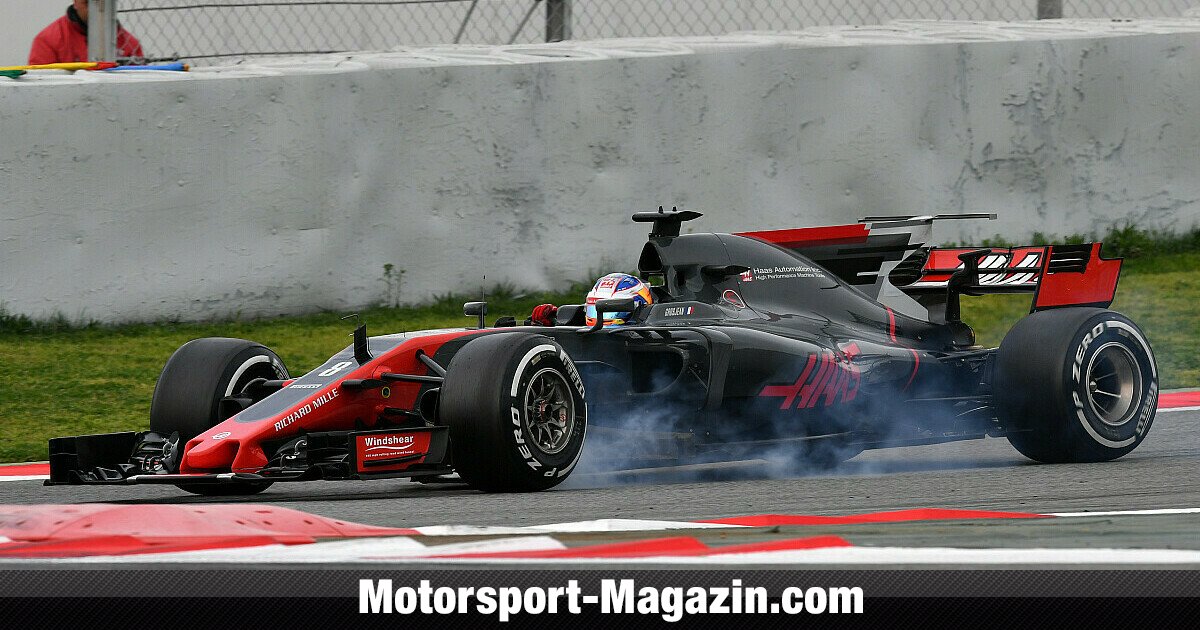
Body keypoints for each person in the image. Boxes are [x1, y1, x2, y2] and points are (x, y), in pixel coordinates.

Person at [29, 1, 144, 65]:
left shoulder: (131, 45)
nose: (94, 8)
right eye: (87, 2)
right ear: (75, 2)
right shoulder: (48, 41)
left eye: (100, 2)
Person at [528, 273, 655, 327]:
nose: (598, 317)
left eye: (609, 310)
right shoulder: (584, 331)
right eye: (594, 310)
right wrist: (549, 323)